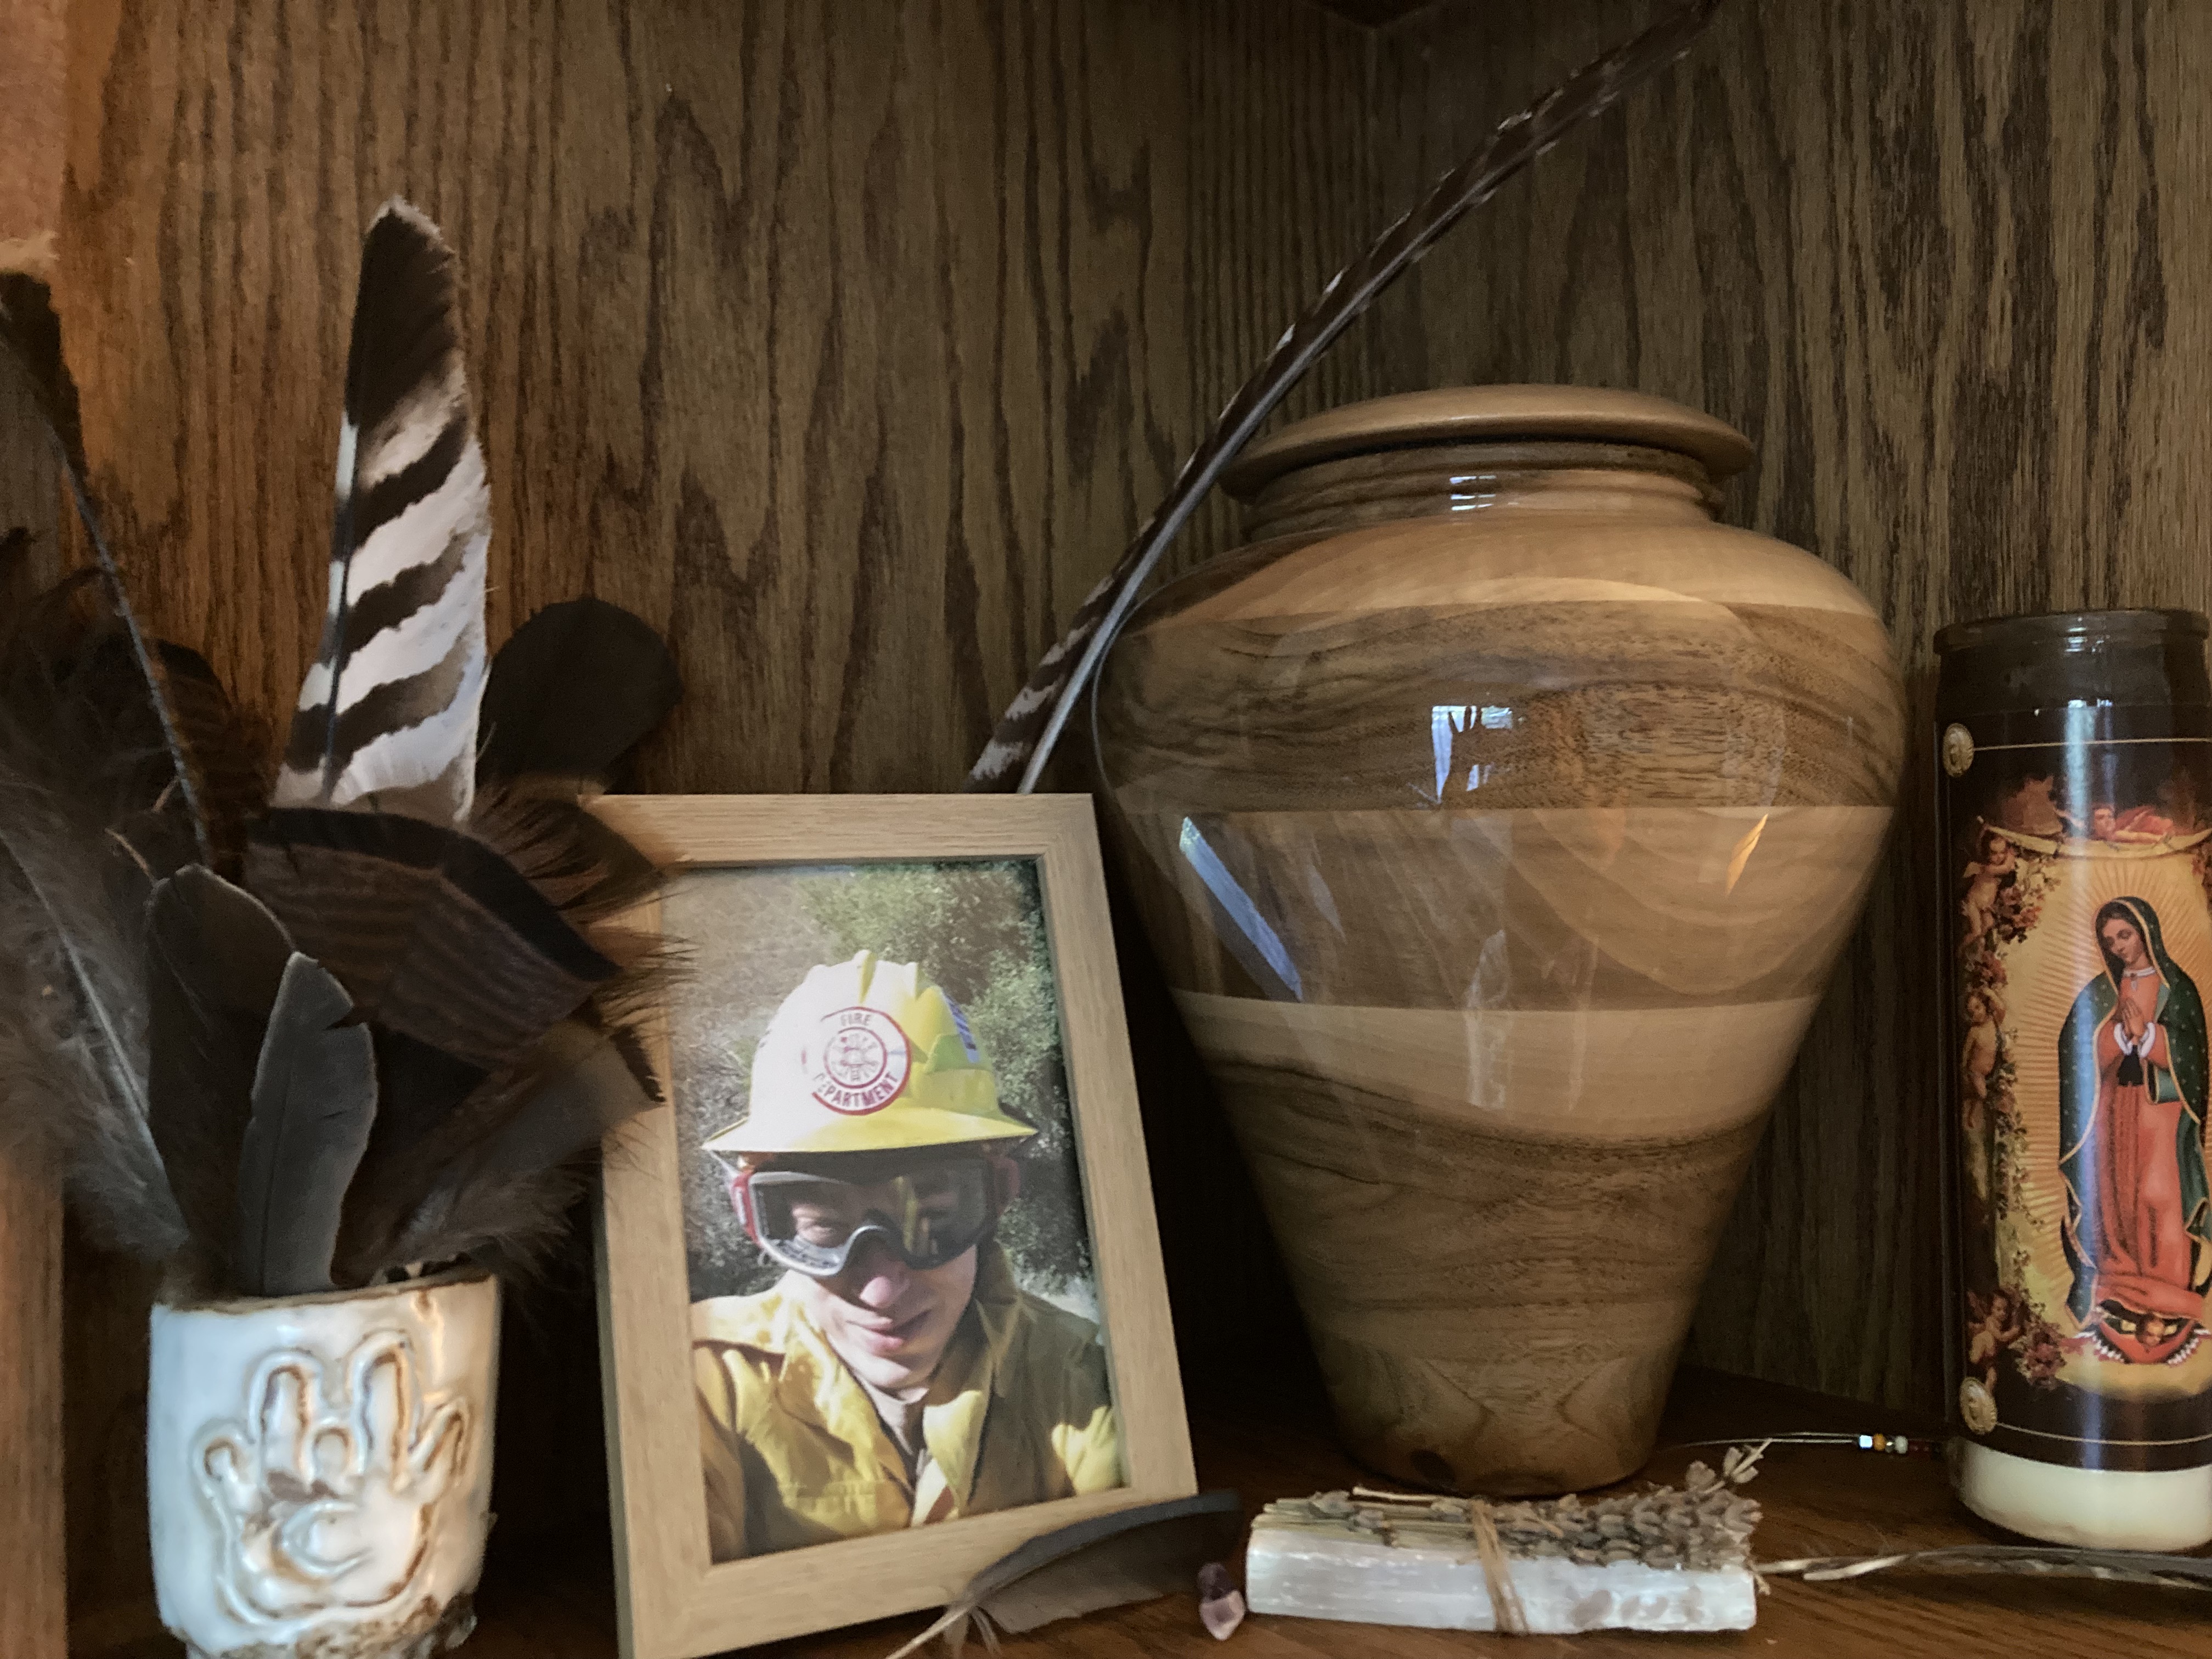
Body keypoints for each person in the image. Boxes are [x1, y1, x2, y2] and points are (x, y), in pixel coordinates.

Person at [691, 951, 1122, 1559]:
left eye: (932, 1224)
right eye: (825, 1231)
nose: (881, 1292)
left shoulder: (1080, 1380)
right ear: (755, 1217)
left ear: (997, 1198)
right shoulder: (706, 1381)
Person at [2058, 897, 2212, 1365]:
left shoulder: (2176, 988)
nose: (2119, 947)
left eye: (2125, 935)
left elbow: (2192, 1054)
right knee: (2117, 1194)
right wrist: (2115, 1037)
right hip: (2114, 1107)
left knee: (2158, 1193)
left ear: (2146, 932)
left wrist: (2149, 1037)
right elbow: (2076, 1045)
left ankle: (2168, 1286)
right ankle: (2121, 1279)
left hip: (2161, 1110)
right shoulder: (2102, 990)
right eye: (2110, 941)